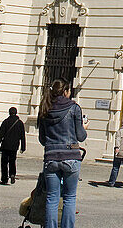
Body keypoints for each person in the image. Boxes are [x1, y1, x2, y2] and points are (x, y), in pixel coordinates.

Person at [38, 79, 87, 228]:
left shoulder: (45, 108)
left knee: (52, 198)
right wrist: (84, 126)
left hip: (51, 157)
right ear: (65, 91)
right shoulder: (74, 108)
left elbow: (42, 139)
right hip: (71, 156)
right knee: (69, 198)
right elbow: (81, 136)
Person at [0, 106, 27, 185]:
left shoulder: (6, 121)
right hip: (14, 146)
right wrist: (23, 147)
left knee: (4, 163)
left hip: (5, 145)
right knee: (12, 161)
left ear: (9, 113)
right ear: (16, 113)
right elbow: (23, 136)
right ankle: (12, 174)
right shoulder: (20, 123)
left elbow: (0, 134)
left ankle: (4, 178)